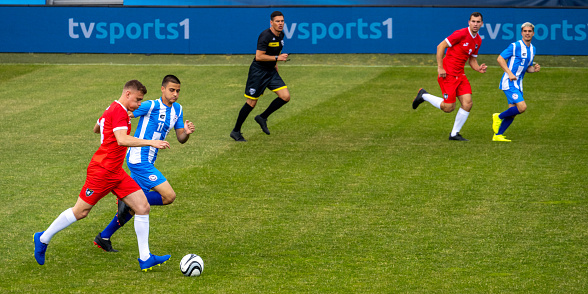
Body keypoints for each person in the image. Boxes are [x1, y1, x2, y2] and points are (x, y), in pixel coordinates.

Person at [34, 80, 172, 272]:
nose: (139, 104)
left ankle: (145, 257)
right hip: (101, 172)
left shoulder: (112, 108)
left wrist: (107, 129)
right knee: (80, 212)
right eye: (138, 100)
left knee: (142, 207)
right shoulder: (120, 112)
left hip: (116, 171)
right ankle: (42, 238)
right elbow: (122, 139)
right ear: (128, 94)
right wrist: (152, 142)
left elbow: (96, 127)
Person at [93, 75, 195, 252]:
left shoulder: (178, 110)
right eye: (172, 90)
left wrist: (186, 132)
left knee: (136, 207)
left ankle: (104, 237)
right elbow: (124, 112)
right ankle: (126, 200)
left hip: (148, 159)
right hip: (138, 159)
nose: (175, 94)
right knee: (168, 196)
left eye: (178, 91)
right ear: (163, 89)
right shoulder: (151, 105)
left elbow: (180, 138)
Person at [412, 12, 488, 141]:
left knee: (468, 103)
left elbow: (472, 60)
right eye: (473, 21)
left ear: (482, 24)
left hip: (460, 74)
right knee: (448, 108)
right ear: (469, 22)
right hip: (448, 74)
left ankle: (454, 134)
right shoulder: (460, 33)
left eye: (478, 22)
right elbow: (441, 46)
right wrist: (440, 67)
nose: (475, 24)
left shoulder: (478, 40)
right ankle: (423, 95)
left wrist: (478, 68)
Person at [230, 10, 290, 142]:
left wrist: (276, 67)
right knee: (251, 103)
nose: (280, 23)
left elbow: (276, 53)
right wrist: (277, 58)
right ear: (271, 22)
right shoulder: (265, 36)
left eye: (282, 21)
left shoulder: (281, 35)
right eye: (277, 21)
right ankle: (236, 131)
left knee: (285, 97)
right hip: (258, 72)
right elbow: (259, 56)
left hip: (271, 71)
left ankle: (262, 117)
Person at [492, 22, 540, 142]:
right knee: (522, 107)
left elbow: (527, 67)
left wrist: (534, 70)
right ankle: (498, 116)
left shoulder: (532, 49)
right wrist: (509, 73)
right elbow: (500, 58)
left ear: (533, 33)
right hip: (509, 82)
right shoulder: (515, 46)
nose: (527, 33)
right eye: (525, 31)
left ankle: (498, 135)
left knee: (512, 112)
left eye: (529, 31)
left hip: (518, 84)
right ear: (521, 33)